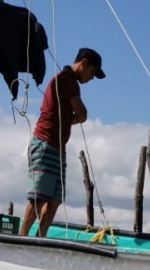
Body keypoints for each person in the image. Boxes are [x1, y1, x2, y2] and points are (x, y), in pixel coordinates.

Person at [20, 47, 105, 237]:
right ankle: (22, 238)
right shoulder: (67, 80)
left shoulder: (67, 81)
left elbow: (77, 116)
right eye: (92, 72)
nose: (91, 78)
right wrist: (74, 119)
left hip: (58, 148)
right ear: (83, 63)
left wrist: (69, 120)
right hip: (44, 144)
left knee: (55, 198)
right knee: (38, 197)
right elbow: (82, 114)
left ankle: (40, 238)